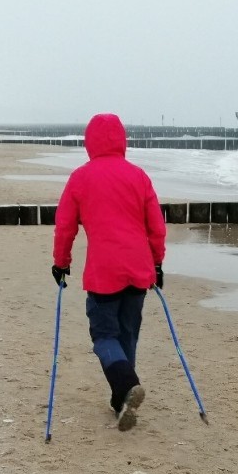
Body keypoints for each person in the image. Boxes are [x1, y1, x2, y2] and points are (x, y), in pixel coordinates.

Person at [51, 113, 166, 431]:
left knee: (104, 336)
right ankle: (121, 398)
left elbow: (64, 227)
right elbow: (156, 226)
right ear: (121, 140)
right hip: (138, 269)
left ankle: (126, 385)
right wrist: (156, 262)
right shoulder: (138, 176)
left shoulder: (80, 177)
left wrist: (61, 262)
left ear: (90, 142)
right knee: (127, 334)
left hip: (104, 273)